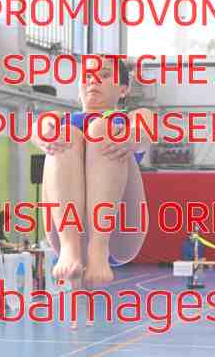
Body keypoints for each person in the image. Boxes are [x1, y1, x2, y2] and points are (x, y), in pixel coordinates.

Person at [31, 56, 151, 288]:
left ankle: (98, 247)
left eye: (104, 75)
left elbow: (145, 128)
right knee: (65, 133)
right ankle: (70, 247)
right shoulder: (58, 120)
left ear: (123, 89)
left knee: (101, 128)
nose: (93, 81)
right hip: (67, 235)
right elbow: (38, 130)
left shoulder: (133, 118)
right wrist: (45, 136)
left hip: (119, 234)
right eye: (87, 77)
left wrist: (133, 136)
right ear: (78, 88)